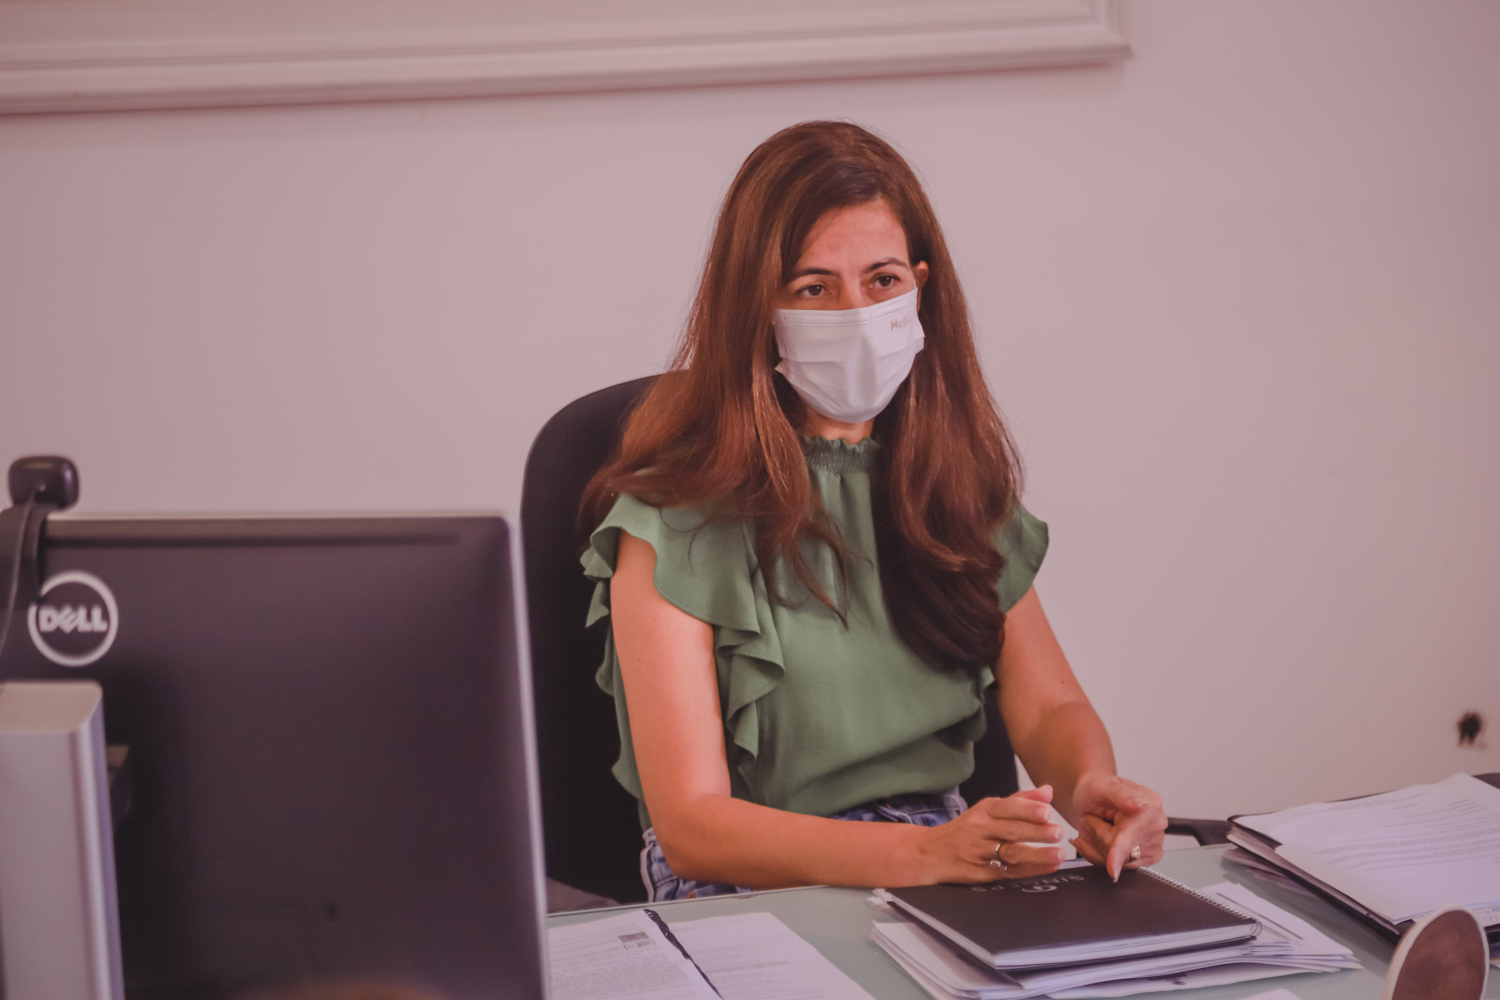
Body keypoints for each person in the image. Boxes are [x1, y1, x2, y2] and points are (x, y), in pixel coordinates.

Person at [580, 121, 1167, 901]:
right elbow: (693, 827)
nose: (855, 313)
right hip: (752, 882)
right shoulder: (673, 516)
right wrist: (921, 855)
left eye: (883, 280)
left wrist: (1091, 786)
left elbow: (1051, 704)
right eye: (813, 288)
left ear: (920, 286)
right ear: (756, 306)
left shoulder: (955, 482)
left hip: (946, 857)